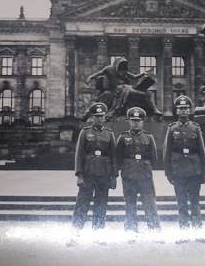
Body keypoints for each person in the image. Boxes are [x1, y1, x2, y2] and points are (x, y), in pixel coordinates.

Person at [68, 102, 117, 245]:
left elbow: (113, 156)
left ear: (105, 117)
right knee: (82, 204)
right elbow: (79, 155)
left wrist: (114, 177)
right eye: (97, 116)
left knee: (101, 205)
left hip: (104, 174)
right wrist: (79, 175)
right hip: (88, 174)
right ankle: (75, 234)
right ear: (93, 117)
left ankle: (98, 235)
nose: (99, 119)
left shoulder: (110, 134)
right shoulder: (85, 132)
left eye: (102, 116)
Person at [163, 95, 205, 242]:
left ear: (190, 110)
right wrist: (168, 173)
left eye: (186, 108)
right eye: (180, 108)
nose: (183, 111)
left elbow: (202, 151)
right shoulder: (172, 129)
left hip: (194, 171)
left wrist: (204, 172)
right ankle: (184, 234)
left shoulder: (195, 128)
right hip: (178, 171)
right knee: (181, 204)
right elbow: (167, 152)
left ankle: (197, 233)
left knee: (195, 203)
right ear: (176, 111)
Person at [116, 107, 161, 236]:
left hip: (144, 175)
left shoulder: (148, 137)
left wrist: (145, 167)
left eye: (138, 120)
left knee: (149, 202)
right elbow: (118, 157)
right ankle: (130, 228)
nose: (136, 123)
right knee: (130, 203)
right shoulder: (123, 138)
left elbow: (154, 158)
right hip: (129, 175)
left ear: (142, 122)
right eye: (133, 120)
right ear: (129, 121)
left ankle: (154, 228)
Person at [85, 57, 162, 119]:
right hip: (116, 89)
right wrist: (90, 78)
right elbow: (98, 74)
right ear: (117, 67)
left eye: (123, 71)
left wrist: (142, 74)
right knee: (127, 89)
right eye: (121, 71)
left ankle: (154, 109)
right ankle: (117, 109)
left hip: (124, 87)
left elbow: (134, 77)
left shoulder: (124, 71)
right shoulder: (108, 69)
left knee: (148, 92)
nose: (122, 73)